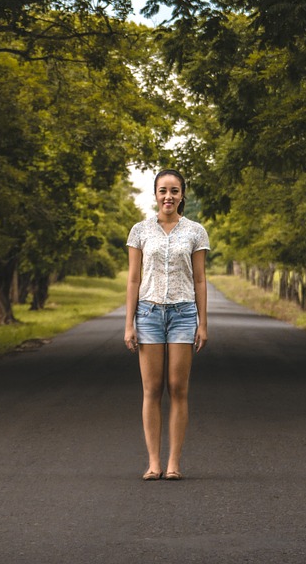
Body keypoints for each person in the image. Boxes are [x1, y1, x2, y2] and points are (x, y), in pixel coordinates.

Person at [124, 168, 209, 481]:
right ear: (155, 194)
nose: (168, 197)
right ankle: (153, 463)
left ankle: (173, 463)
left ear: (182, 195)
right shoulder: (140, 231)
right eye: (163, 191)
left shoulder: (196, 231)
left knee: (177, 388)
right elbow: (133, 279)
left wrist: (202, 322)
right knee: (152, 389)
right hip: (148, 313)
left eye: (174, 191)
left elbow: (200, 279)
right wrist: (129, 323)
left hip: (184, 313)